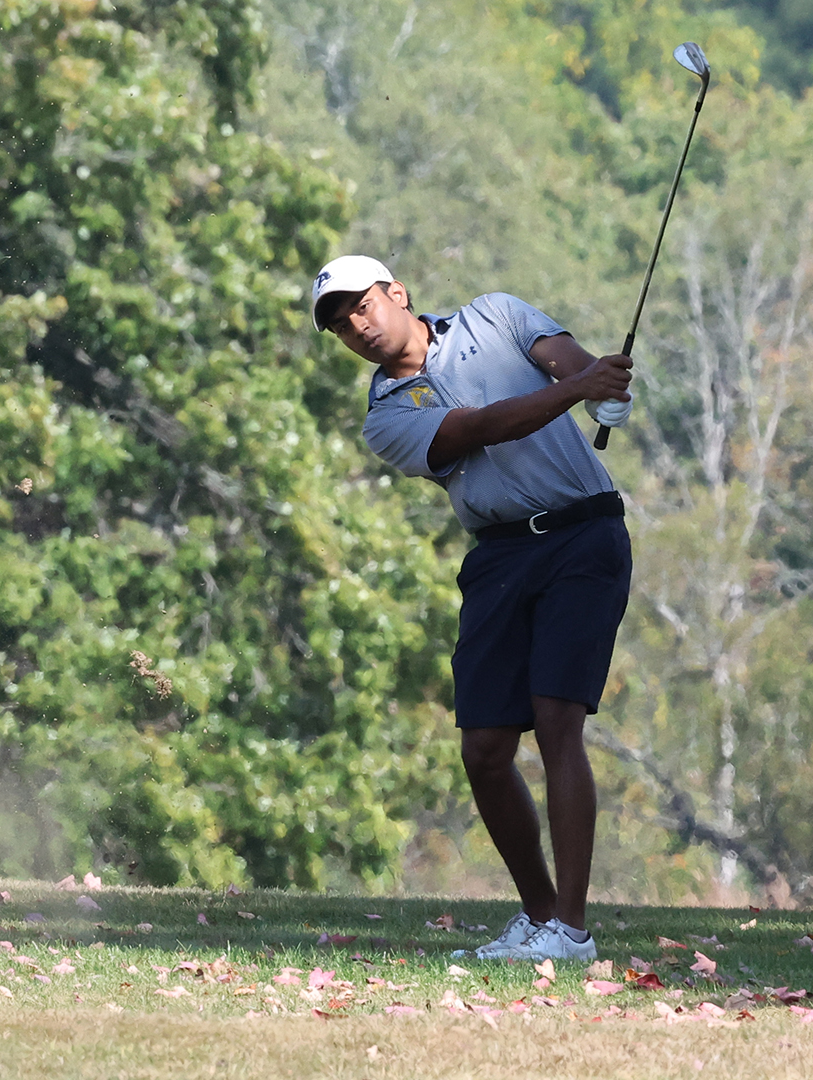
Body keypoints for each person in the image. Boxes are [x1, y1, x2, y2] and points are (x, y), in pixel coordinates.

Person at [311, 255, 633, 963]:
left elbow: (561, 357)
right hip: (499, 556)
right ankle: (539, 915)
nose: (356, 327)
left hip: (584, 536)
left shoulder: (496, 312)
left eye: (362, 306)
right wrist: (581, 388)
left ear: (397, 293)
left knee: (557, 723)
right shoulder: (388, 415)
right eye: (340, 326)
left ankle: (571, 933)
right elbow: (482, 427)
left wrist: (599, 385)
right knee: (485, 750)